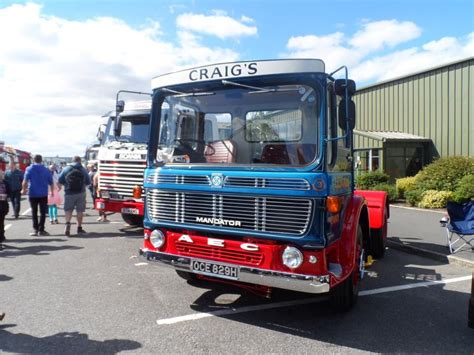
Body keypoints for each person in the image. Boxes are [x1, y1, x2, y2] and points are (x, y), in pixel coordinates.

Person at [21, 154, 54, 236]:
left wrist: (23, 190)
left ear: (33, 160)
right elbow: (51, 182)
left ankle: (35, 229)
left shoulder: (29, 169)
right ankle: (41, 229)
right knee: (43, 212)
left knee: (34, 212)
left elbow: (25, 181)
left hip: (33, 193)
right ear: (41, 160)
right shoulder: (46, 170)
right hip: (43, 193)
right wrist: (52, 192)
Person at [58, 156, 91, 236]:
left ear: (72, 161)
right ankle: (79, 228)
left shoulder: (66, 169)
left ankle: (68, 224)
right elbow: (88, 182)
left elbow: (60, 181)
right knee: (80, 211)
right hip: (81, 193)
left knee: (68, 209)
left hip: (69, 192)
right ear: (79, 161)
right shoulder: (83, 169)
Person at [0, 169, 11, 250]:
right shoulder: (5, 183)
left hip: (2, 206)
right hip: (3, 205)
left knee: (1, 223)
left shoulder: (5, 183)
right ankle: (1, 237)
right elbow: (9, 194)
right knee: (1, 223)